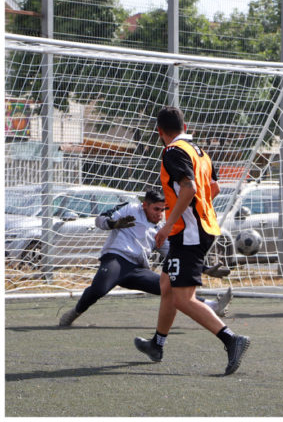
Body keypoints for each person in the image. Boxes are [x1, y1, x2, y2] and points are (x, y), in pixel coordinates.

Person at [134, 106, 250, 376]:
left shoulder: (173, 151)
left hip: (189, 232)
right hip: (199, 227)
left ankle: (232, 339)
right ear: (184, 126)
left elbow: (189, 188)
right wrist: (195, 210)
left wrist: (169, 222)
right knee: (166, 285)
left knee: (182, 298)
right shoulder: (200, 151)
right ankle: (157, 344)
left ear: (160, 132)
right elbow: (214, 187)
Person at [58, 190, 233, 327]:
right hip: (116, 260)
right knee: (98, 290)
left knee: (170, 289)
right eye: (156, 209)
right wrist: (113, 224)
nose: (160, 214)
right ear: (144, 206)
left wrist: (203, 268)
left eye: (163, 210)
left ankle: (213, 306)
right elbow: (100, 220)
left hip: (137, 270)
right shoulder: (129, 209)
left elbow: (175, 254)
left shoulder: (161, 228)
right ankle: (74, 313)